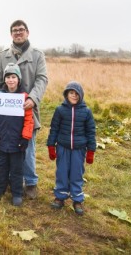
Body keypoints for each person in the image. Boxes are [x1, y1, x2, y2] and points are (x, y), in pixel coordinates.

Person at [0, 20, 48, 199]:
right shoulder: (3, 55)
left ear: (27, 32)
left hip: (27, 110)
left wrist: (33, 98)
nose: (18, 33)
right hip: (5, 113)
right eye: (15, 30)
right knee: (5, 148)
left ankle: (30, 183)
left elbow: (42, 79)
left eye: (21, 30)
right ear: (11, 34)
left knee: (27, 149)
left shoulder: (38, 55)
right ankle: (7, 181)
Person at [46, 81, 96, 215]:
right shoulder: (60, 110)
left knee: (76, 174)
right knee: (61, 172)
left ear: (81, 95)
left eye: (76, 94)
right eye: (71, 93)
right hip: (63, 147)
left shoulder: (86, 112)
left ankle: (77, 199)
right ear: (66, 94)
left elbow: (91, 131)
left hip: (79, 149)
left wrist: (91, 150)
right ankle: (60, 197)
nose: (73, 96)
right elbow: (54, 129)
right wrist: (51, 145)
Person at [0, 63, 34, 206]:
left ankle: (17, 193)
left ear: (18, 79)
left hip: (17, 143)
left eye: (13, 77)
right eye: (8, 77)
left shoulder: (24, 98)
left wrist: (25, 138)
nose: (11, 80)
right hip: (1, 141)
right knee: (1, 167)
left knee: (16, 169)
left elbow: (28, 121)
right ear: (4, 79)